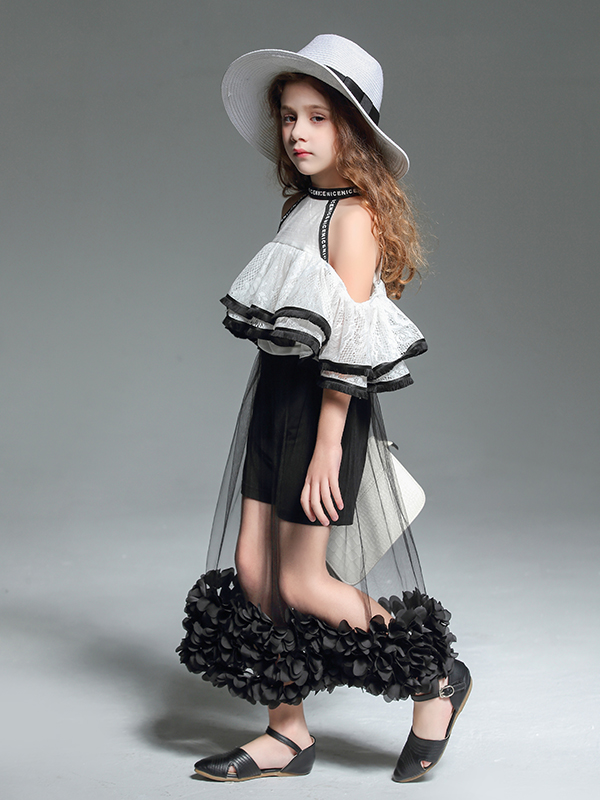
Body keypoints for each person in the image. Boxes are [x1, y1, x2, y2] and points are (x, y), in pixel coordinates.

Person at [177, 34, 471, 783]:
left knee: (304, 581)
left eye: (318, 118)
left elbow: (351, 336)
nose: (298, 133)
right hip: (278, 396)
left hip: (325, 408)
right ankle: (287, 733)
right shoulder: (305, 204)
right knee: (255, 571)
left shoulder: (354, 218)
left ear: (353, 132)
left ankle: (435, 679)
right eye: (289, 117)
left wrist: (328, 443)